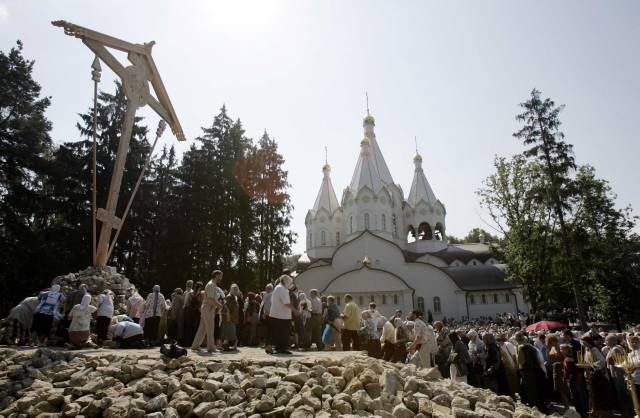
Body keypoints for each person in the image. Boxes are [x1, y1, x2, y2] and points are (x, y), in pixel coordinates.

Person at [515, 332, 548, 413]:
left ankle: (536, 411)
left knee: (531, 393)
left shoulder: (520, 348)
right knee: (537, 393)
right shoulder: (532, 347)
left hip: (527, 374)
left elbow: (521, 362)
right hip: (535, 372)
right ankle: (542, 409)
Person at [191, 271, 223, 353]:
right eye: (220, 276)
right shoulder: (211, 285)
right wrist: (219, 305)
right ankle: (211, 347)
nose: (221, 278)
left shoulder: (212, 285)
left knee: (203, 328)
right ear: (216, 276)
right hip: (208, 308)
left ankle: (195, 345)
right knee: (210, 328)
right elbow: (210, 299)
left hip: (207, 308)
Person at [268, 275, 297, 354]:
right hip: (283, 316)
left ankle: (277, 348)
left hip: (275, 314)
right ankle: (282, 348)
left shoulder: (277, 288)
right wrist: (294, 310)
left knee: (276, 332)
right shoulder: (283, 289)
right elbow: (286, 303)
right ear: (286, 282)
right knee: (284, 333)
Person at [183, 281, 203, 346]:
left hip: (189, 312)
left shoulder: (190, 293)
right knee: (195, 327)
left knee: (188, 327)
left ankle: (187, 342)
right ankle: (193, 342)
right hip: (196, 312)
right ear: (200, 287)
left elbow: (186, 303)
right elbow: (201, 304)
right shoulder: (200, 294)